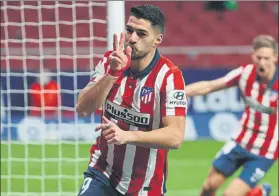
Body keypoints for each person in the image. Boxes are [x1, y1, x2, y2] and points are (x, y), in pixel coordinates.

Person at [76, 4, 187, 196]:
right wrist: (112, 73)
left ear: (156, 40)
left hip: (146, 185)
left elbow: (175, 136)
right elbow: (83, 108)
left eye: (142, 34)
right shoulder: (109, 61)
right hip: (103, 172)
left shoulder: (170, 77)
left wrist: (127, 136)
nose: (132, 39)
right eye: (129, 30)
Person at [185, 35, 278, 196]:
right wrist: (181, 92)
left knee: (230, 195)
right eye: (259, 57)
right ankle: (259, 193)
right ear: (252, 55)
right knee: (208, 186)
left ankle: (259, 192)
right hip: (240, 141)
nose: (262, 62)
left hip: (265, 151)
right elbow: (210, 86)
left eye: (267, 58)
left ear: (275, 57)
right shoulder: (244, 74)